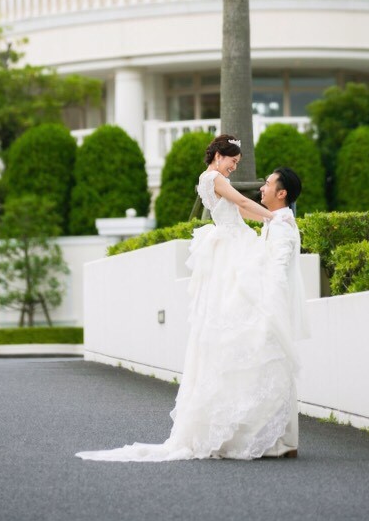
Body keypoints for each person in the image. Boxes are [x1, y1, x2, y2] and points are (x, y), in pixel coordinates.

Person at [76, 135, 309, 462]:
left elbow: (244, 210)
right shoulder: (213, 178)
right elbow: (242, 205)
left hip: (235, 242)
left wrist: (272, 220)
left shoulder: (216, 179)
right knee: (237, 319)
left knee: (237, 326)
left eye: (237, 162)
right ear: (218, 155)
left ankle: (254, 424)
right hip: (232, 245)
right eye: (233, 160)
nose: (234, 166)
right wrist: (274, 218)